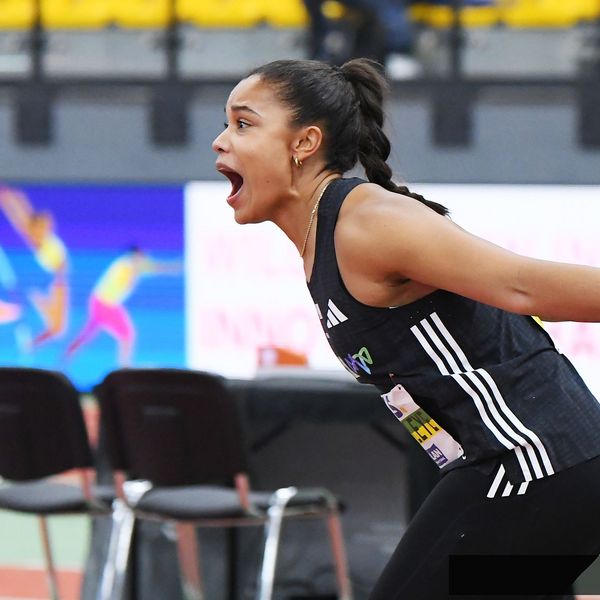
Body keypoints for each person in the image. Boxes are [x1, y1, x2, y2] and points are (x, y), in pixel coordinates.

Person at [211, 57, 600, 600]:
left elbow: (524, 288)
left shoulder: (367, 223)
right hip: (530, 466)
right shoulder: (323, 237)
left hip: (537, 461)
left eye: (243, 123)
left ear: (304, 143)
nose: (220, 141)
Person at [65, 246, 181, 366]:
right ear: (135, 256)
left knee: (88, 335)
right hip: (105, 304)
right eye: (142, 258)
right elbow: (130, 278)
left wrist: (174, 267)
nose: (144, 261)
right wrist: (136, 274)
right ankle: (124, 366)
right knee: (127, 334)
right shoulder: (124, 265)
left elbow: (156, 267)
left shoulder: (136, 265)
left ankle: (67, 356)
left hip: (99, 302)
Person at [0, 185, 69, 348]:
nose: (48, 225)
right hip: (55, 281)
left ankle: (31, 343)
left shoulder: (37, 237)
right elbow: (21, 217)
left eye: (47, 224)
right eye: (44, 224)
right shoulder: (35, 237)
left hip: (56, 280)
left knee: (57, 329)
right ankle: (31, 343)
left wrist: (11, 196)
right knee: (57, 328)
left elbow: (24, 215)